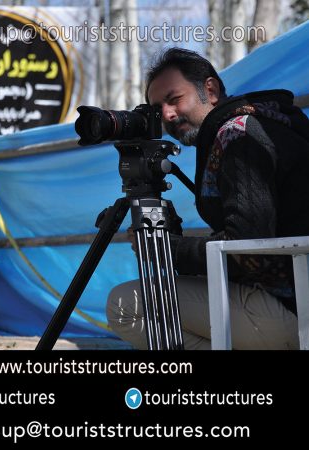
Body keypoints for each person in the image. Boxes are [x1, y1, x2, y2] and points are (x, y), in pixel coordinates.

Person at [106, 47, 309, 350]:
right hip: (291, 292)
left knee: (124, 306)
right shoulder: (263, 121)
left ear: (210, 89)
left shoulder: (238, 135)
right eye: (157, 108)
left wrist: (165, 249)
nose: (167, 115)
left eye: (174, 99)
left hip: (293, 307)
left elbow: (246, 247)